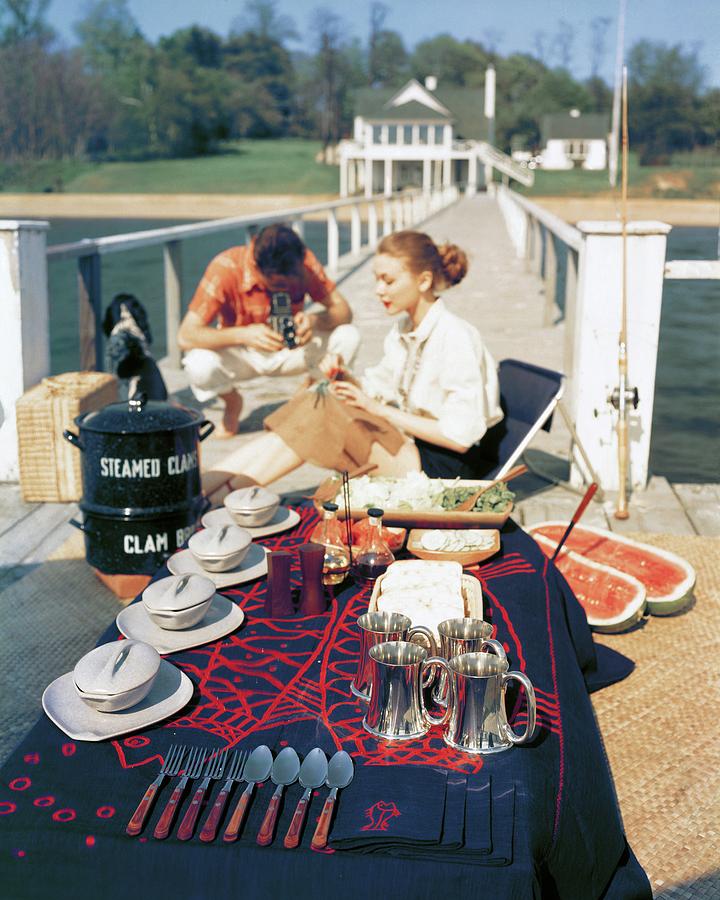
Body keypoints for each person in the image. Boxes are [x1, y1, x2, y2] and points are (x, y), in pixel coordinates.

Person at [214, 229, 504, 486]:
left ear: (424, 281)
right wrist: (344, 378)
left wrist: (379, 411)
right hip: (411, 445)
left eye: (388, 281)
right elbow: (379, 387)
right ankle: (210, 484)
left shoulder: (455, 337)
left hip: (443, 468)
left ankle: (216, 494)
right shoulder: (404, 330)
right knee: (321, 396)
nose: (379, 290)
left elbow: (460, 437)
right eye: (377, 280)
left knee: (321, 416)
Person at [178, 223, 360, 437]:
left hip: (291, 350)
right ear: (256, 266)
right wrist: (243, 334)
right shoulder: (226, 267)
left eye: (292, 279)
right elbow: (186, 335)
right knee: (197, 363)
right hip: (243, 354)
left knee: (348, 336)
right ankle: (232, 402)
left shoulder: (302, 261)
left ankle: (309, 392)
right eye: (277, 283)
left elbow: (344, 311)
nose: (286, 285)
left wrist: (314, 320)